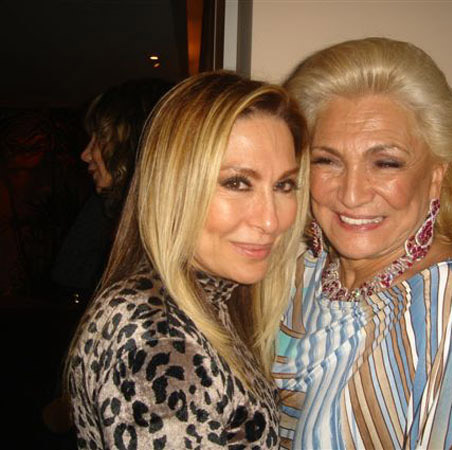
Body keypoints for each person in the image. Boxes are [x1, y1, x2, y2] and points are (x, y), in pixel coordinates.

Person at [273, 38, 452, 450]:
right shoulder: (306, 274)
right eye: (327, 160)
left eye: (385, 163)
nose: (351, 194)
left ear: (437, 176)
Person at [65, 71, 310, 448]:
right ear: (175, 186)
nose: (271, 220)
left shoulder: (203, 300)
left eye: (284, 185)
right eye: (236, 183)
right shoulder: (160, 343)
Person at [52, 78, 172, 303]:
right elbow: (69, 273)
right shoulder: (116, 209)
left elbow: (71, 272)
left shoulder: (165, 237)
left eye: (100, 138)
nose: (86, 155)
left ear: (132, 144)